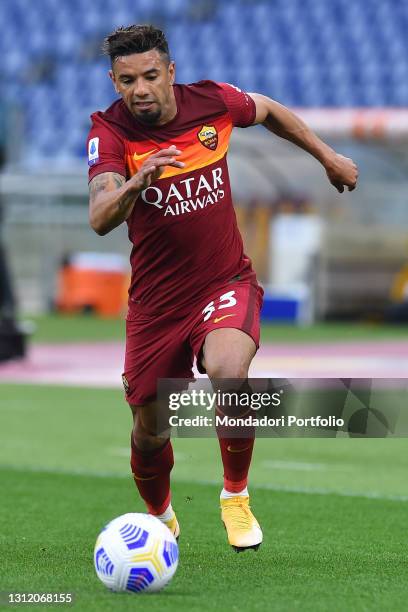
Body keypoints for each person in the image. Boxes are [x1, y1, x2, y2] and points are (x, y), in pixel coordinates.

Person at [87, 24, 358, 551]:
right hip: (157, 305)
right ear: (113, 81)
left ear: (169, 71)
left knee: (229, 373)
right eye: (126, 80)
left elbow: (270, 110)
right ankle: (160, 517)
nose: (139, 89)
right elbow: (99, 216)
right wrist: (137, 183)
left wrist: (326, 156)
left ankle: (235, 497)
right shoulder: (110, 133)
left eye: (148, 75)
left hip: (224, 279)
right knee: (149, 429)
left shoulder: (212, 103)